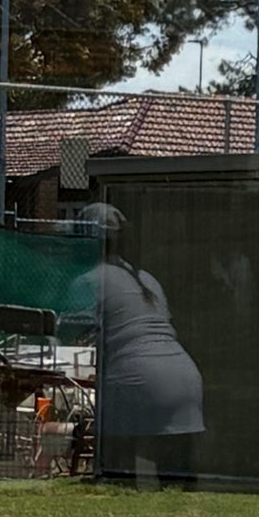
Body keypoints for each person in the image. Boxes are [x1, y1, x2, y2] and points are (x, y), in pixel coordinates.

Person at [79, 203, 205, 487]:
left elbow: (65, 329)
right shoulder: (147, 279)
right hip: (185, 379)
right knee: (177, 483)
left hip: (140, 381)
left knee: (117, 475)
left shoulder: (89, 280)